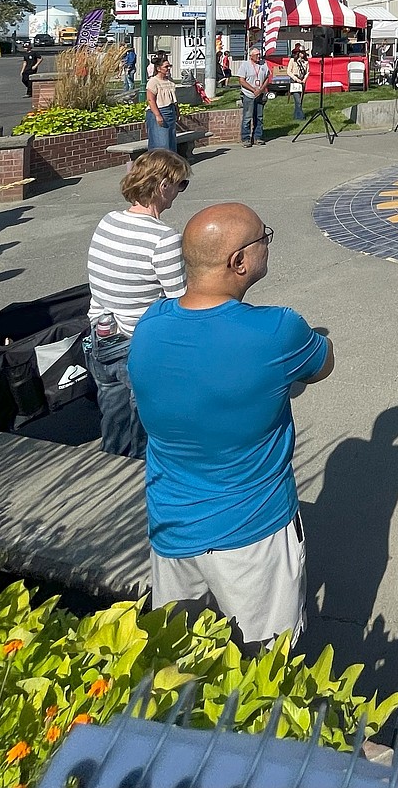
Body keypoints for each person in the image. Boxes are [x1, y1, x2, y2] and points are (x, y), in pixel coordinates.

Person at [128, 203, 334, 648]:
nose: (267, 246)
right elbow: (322, 364)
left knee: (181, 660)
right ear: (238, 262)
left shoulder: (150, 324)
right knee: (269, 666)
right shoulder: (278, 329)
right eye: (264, 239)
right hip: (253, 534)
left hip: (172, 528)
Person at [85, 150, 190, 458]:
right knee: (147, 429)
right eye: (180, 184)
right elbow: (181, 301)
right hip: (138, 343)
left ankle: (113, 476)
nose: (179, 192)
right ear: (163, 186)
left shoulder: (108, 221)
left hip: (100, 337)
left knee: (113, 421)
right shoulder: (164, 239)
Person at [239, 45, 271, 147]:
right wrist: (253, 90)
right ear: (251, 56)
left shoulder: (263, 64)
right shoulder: (245, 65)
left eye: (259, 54)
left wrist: (261, 89)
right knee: (247, 117)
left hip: (260, 94)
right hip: (248, 94)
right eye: (256, 55)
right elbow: (241, 80)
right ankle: (246, 138)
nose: (258, 56)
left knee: (259, 117)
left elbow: (267, 77)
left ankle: (258, 137)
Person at [146, 53, 179, 151]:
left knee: (171, 142)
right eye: (166, 67)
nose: (168, 68)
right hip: (159, 111)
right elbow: (150, 100)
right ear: (159, 68)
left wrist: (177, 111)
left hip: (170, 112)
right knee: (161, 143)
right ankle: (158, 165)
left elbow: (174, 100)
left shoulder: (170, 82)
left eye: (170, 66)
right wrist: (157, 115)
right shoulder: (153, 81)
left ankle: (170, 165)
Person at [287, 44, 309, 123]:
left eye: (304, 52)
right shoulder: (292, 60)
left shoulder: (306, 62)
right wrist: (296, 79)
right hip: (295, 81)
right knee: (297, 100)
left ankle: (296, 116)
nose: (303, 54)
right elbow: (288, 72)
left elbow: (307, 72)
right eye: (301, 52)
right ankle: (301, 117)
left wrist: (304, 79)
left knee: (300, 99)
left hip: (302, 81)